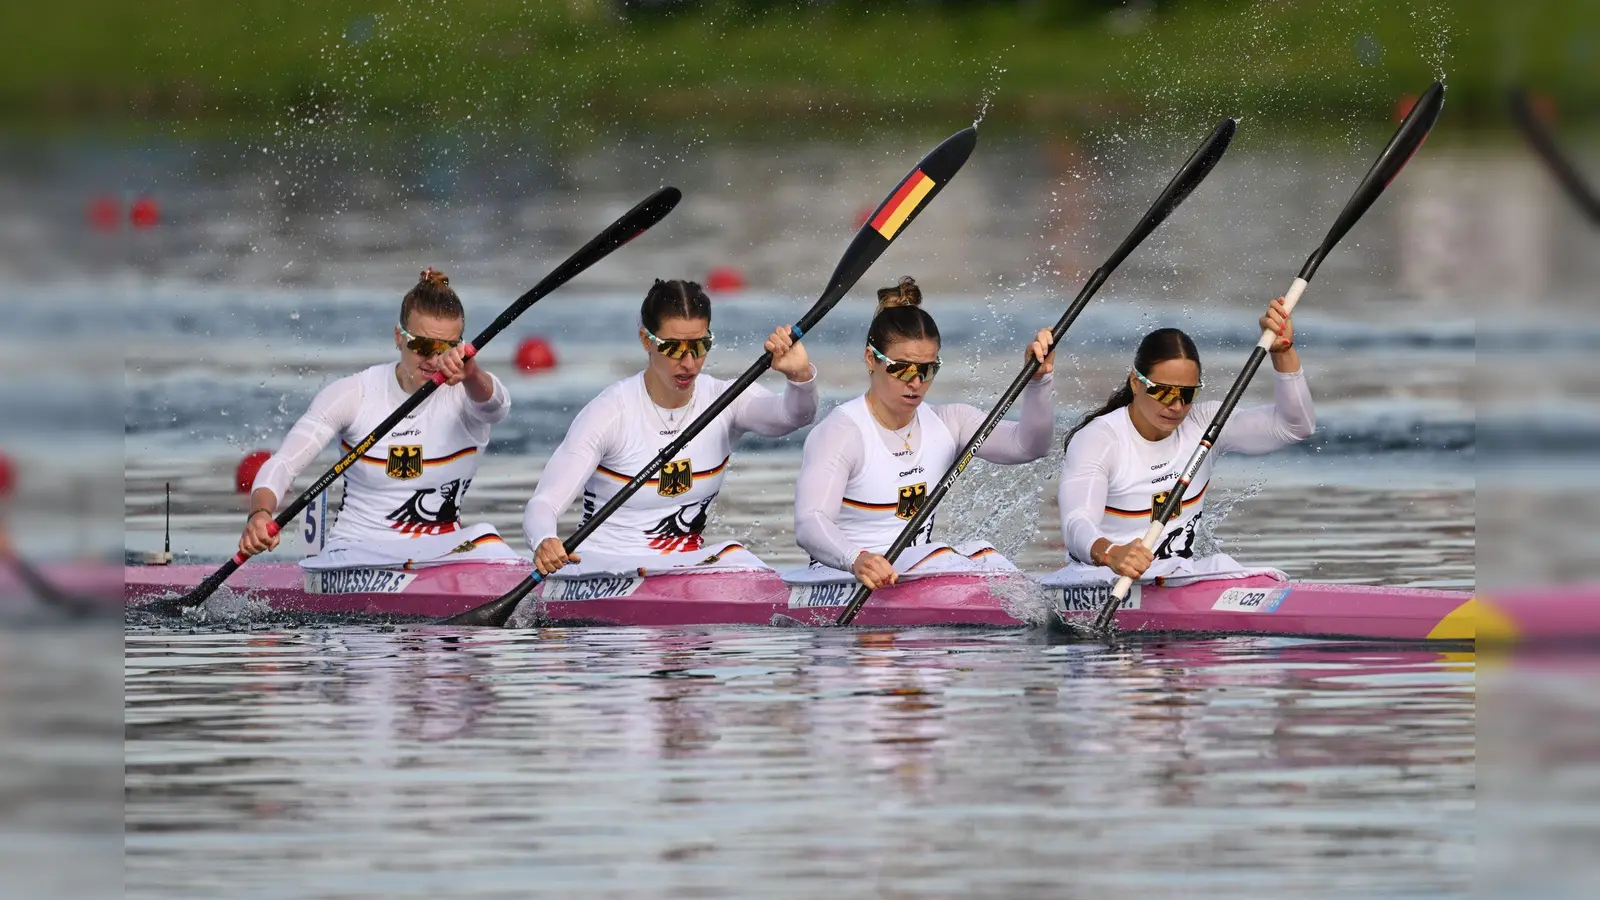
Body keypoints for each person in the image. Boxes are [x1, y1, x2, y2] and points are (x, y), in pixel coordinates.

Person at [524, 278, 816, 578]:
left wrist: (800, 376)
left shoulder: (725, 401)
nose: (689, 363)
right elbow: (544, 503)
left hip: (683, 572)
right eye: (674, 349)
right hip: (602, 572)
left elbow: (794, 416)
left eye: (700, 346)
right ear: (646, 340)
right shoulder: (610, 413)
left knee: (734, 554)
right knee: (733, 555)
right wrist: (545, 540)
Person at [238, 268, 521, 571]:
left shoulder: (469, 392)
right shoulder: (354, 395)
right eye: (422, 345)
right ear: (399, 337)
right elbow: (283, 464)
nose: (433, 359)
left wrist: (473, 373)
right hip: (355, 554)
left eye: (445, 348)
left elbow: (497, 407)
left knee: (486, 536)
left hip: (440, 556)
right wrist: (260, 515)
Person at [791, 276, 1056, 590]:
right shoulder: (841, 433)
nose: (916, 382)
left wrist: (1038, 382)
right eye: (902, 368)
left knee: (987, 555)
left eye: (928, 370)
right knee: (943, 555)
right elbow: (810, 522)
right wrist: (857, 559)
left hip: (916, 573)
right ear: (870, 359)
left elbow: (1030, 446)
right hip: (843, 578)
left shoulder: (951, 422)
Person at [1051, 297, 1314, 587]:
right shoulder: (1101, 439)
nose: (1176, 406)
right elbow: (1076, 523)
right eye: (1164, 392)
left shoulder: (1205, 424)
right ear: (1136, 383)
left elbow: (1295, 427)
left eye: (1187, 394)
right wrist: (1112, 553)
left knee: (1227, 567)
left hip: (1179, 577)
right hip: (1100, 580)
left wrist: (1283, 352)